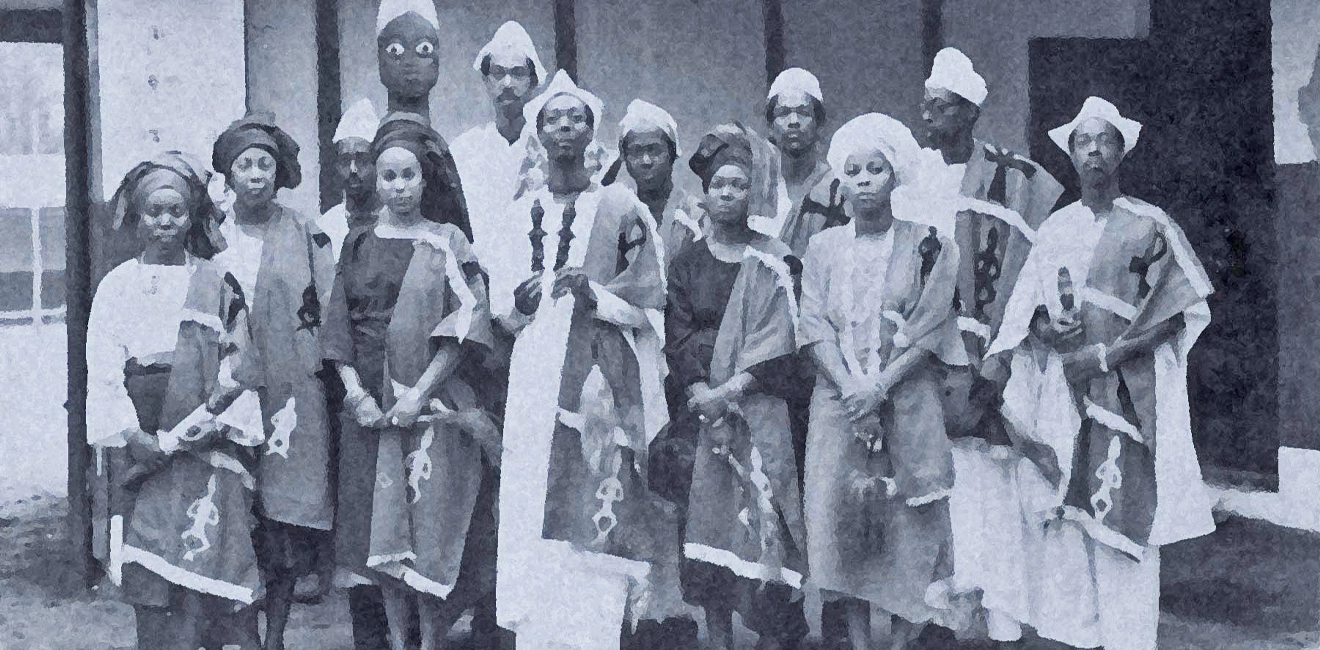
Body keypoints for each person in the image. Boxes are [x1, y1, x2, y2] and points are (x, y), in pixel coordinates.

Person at [986, 97, 1217, 650]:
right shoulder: (1055, 228)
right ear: (1070, 154)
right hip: (1067, 390)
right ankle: (1081, 636)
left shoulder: (1150, 224)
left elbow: (1176, 313)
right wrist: (1047, 329)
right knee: (1071, 516)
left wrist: (1107, 357)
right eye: (1083, 141)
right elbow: (1025, 311)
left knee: (1126, 514)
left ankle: (1130, 639)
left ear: (1122, 152)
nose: (1093, 151)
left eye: (1105, 140)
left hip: (1130, 393)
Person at [490, 70, 671, 650]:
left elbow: (650, 303)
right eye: (553, 119)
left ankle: (595, 635)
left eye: (576, 118)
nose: (564, 127)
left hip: (598, 378)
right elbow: (498, 307)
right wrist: (516, 307)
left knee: (594, 497)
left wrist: (595, 295)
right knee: (530, 494)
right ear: (538, 133)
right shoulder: (518, 212)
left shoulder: (622, 208)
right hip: (534, 374)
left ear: (592, 133)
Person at [322, 115, 497, 650]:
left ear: (425, 181)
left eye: (408, 176)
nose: (398, 187)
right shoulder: (357, 243)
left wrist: (418, 393)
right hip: (369, 411)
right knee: (381, 535)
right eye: (388, 176)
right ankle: (399, 642)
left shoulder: (447, 241)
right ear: (376, 182)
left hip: (425, 405)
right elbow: (338, 325)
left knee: (425, 533)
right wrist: (355, 394)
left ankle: (432, 641)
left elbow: (466, 323)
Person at [799, 113, 966, 650]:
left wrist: (880, 386)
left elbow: (932, 326)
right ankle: (857, 642)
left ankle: (899, 643)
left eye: (876, 169)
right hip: (838, 404)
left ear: (895, 177)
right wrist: (853, 387)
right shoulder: (823, 248)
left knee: (908, 528)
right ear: (841, 183)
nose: (865, 180)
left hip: (906, 400)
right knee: (843, 523)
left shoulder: (930, 246)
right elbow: (813, 324)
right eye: (853, 172)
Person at [87, 152, 265, 650]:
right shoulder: (117, 285)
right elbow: (103, 371)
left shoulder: (216, 280)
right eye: (154, 211)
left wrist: (203, 425)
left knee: (212, 565)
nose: (165, 221)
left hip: (207, 441)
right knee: (153, 575)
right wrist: (134, 436)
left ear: (192, 217)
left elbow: (238, 363)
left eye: (176, 211)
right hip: (143, 449)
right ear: (137, 217)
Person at [919, 46, 1065, 645]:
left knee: (994, 488)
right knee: (938, 482)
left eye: (943, 106)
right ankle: (943, 616)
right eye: (926, 105)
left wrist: (1004, 346)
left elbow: (1036, 266)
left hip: (994, 351)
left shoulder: (1015, 178)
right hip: (928, 353)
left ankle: (1003, 612)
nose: (929, 115)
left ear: (971, 113)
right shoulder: (914, 177)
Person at [671, 124, 809, 650]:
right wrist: (700, 394)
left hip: (761, 408)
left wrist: (728, 392)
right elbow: (678, 334)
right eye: (718, 185)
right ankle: (718, 639)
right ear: (704, 193)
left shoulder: (776, 260)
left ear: (755, 193)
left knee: (765, 527)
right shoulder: (686, 262)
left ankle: (773, 638)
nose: (727, 194)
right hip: (701, 414)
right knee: (707, 530)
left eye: (738, 184)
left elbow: (782, 342)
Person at [211, 112, 337, 650]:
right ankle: (239, 633)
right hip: (225, 387)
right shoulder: (210, 233)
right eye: (245, 165)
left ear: (279, 172)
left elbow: (329, 306)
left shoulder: (305, 231)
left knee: (282, 523)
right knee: (231, 514)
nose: (256, 175)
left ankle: (276, 637)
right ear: (229, 174)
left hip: (291, 388)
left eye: (265, 164)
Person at [451, 20, 547, 264]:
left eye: (518, 73)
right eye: (498, 73)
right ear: (486, 81)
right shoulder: (465, 150)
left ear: (533, 81)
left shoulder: (549, 147)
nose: (507, 83)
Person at [602, 99, 705, 261]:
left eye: (654, 150)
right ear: (624, 158)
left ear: (672, 153)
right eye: (636, 151)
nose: (646, 161)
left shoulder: (694, 215)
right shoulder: (621, 217)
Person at [754, 67, 839, 258]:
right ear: (770, 126)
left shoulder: (836, 189)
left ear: (819, 123)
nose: (794, 121)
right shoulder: (756, 189)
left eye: (803, 112)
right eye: (783, 113)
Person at [320, 98, 383, 263]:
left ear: (377, 163)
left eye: (362, 159)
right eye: (345, 160)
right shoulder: (326, 227)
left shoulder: (394, 222)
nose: (353, 169)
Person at [376, 0, 442, 121]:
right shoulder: (359, 127)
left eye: (424, 48)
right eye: (395, 49)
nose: (409, 61)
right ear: (380, 57)